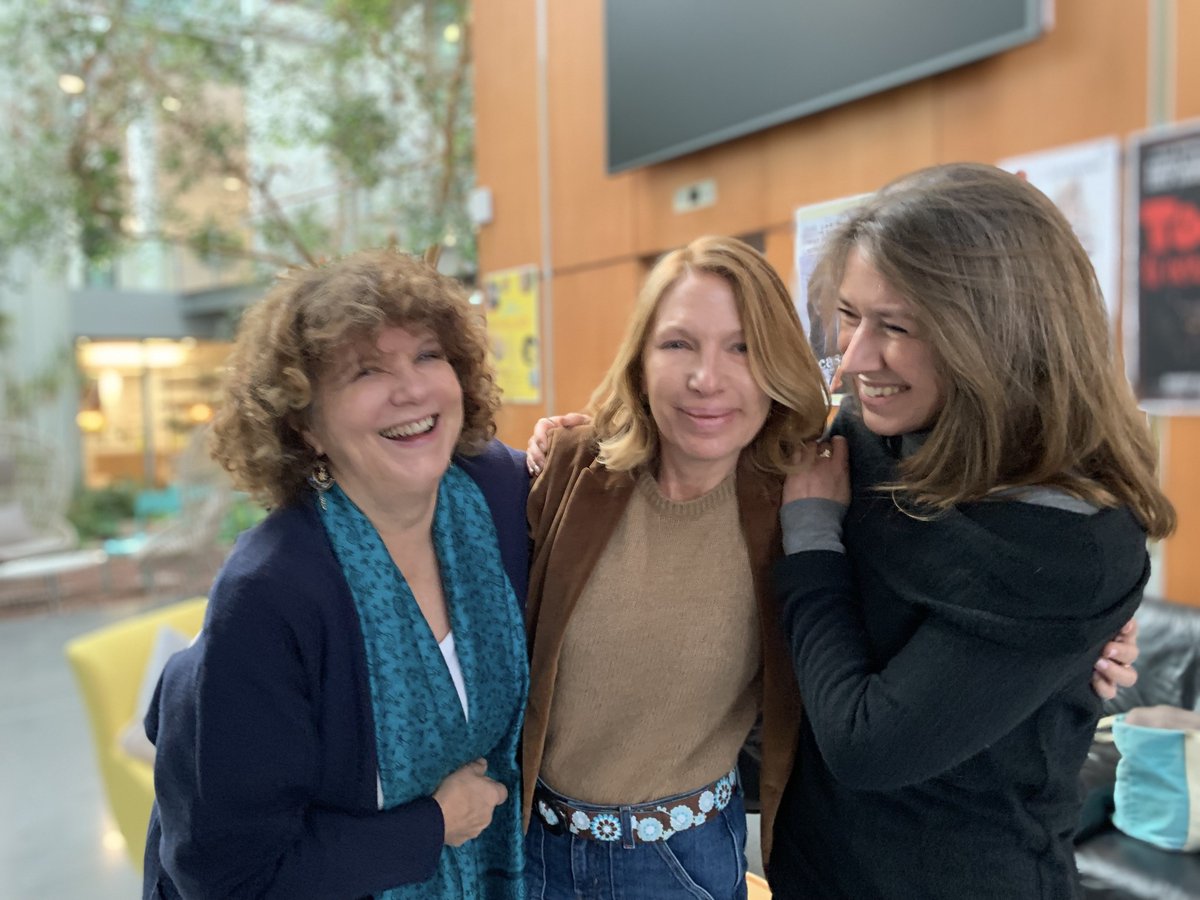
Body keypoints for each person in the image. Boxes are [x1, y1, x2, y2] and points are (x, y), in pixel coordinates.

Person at [770, 162, 1175, 898]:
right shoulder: (877, 427)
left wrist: (812, 535)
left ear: (999, 335)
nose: (854, 360)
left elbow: (866, 745)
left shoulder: (1066, 538)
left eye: (895, 327)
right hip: (817, 864)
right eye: (850, 316)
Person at [142, 249, 531, 899]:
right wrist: (433, 825)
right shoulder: (270, 595)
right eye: (366, 371)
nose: (411, 389)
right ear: (306, 424)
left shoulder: (494, 493)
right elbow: (233, 877)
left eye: (428, 355)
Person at [523, 235, 830, 898]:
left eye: (741, 348)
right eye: (678, 344)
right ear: (640, 360)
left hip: (677, 864)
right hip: (530, 851)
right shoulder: (575, 467)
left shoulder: (801, 499)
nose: (706, 378)